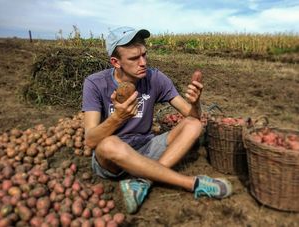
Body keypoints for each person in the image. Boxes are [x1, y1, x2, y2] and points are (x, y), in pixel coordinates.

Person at [82, 26, 232, 214]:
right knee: (109, 144)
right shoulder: (95, 83)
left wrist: (195, 103)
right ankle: (192, 183)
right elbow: (90, 140)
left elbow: (193, 117)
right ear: (116, 62)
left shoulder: (155, 78)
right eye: (134, 58)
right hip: (113, 159)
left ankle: (143, 180)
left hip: (146, 147)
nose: (143, 62)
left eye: (144, 55)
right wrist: (117, 118)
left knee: (193, 125)